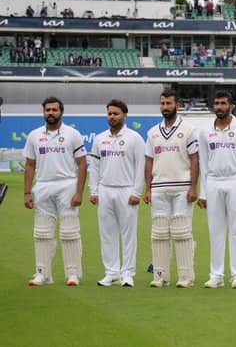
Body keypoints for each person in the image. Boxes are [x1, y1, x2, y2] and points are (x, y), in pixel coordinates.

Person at [23, 97, 87, 286]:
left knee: (70, 232)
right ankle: (42, 273)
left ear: (61, 112)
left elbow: (82, 164)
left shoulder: (72, 134)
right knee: (42, 233)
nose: (50, 113)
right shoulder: (34, 135)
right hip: (42, 185)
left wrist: (79, 192)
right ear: (43, 112)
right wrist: (27, 192)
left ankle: (73, 274)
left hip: (67, 185)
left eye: (54, 110)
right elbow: (29, 165)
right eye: (47, 110)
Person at [198, 91, 236, 289]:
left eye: (223, 103)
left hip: (235, 181)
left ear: (231, 106)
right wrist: (202, 193)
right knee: (216, 231)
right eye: (217, 103)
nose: (220, 107)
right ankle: (216, 275)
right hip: (213, 181)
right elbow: (204, 164)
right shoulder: (205, 132)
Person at [144, 89, 199, 288]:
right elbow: (149, 162)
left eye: (169, 103)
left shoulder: (189, 129)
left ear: (177, 105)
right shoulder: (152, 132)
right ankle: (160, 275)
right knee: (159, 232)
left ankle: (186, 277)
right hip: (159, 187)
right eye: (163, 103)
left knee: (182, 231)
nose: (165, 107)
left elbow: (195, 159)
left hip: (182, 187)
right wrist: (148, 189)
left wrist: (193, 187)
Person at [88, 100, 145, 287]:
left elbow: (140, 167)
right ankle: (111, 273)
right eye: (109, 114)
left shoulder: (134, 138)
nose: (112, 117)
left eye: (116, 114)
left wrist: (137, 191)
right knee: (107, 233)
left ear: (125, 115)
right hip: (105, 189)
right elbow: (94, 167)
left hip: (126, 189)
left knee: (128, 234)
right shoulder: (100, 138)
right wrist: (93, 190)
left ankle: (128, 273)